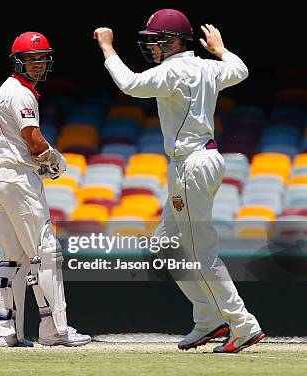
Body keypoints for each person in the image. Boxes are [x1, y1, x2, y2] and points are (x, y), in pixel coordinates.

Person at [93, 9, 265, 353]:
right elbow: (240, 70)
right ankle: (208, 319)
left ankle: (242, 324)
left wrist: (108, 47)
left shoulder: (172, 71)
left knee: (201, 253)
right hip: (199, 163)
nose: (152, 49)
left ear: (173, 41)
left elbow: (129, 84)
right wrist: (220, 49)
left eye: (156, 42)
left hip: (192, 166)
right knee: (166, 245)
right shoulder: (206, 66)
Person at [0, 31, 91, 347]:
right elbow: (34, 140)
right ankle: (56, 330)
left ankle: (6, 332)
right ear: (19, 62)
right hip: (19, 181)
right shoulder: (22, 94)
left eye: (42, 58)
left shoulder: (2, 92)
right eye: (32, 59)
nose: (39, 64)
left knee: (12, 259)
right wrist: (55, 163)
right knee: (47, 253)